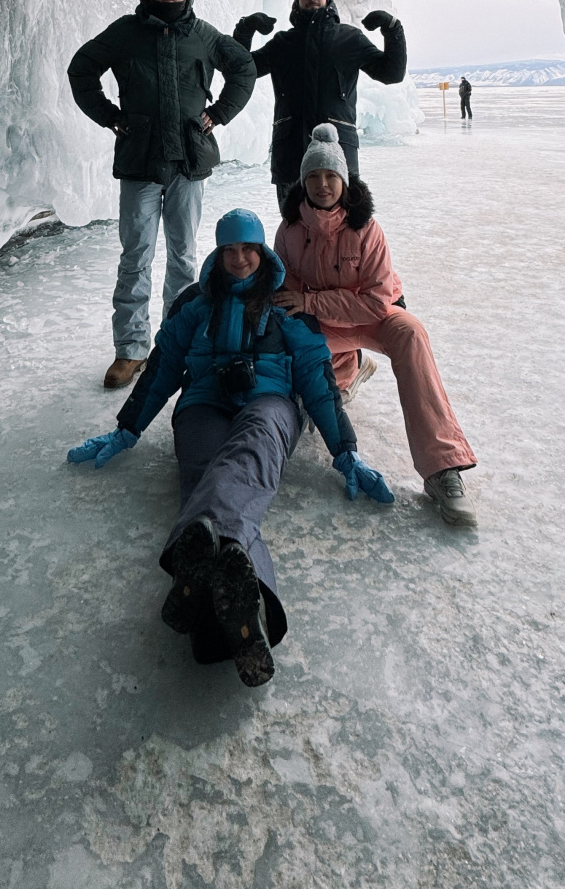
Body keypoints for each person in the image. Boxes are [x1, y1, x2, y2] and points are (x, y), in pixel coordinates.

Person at [67, 208, 393, 686]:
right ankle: (248, 613)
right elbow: (162, 368)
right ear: (217, 254)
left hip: (270, 403)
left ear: (262, 252)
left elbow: (318, 382)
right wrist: (127, 428)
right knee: (204, 473)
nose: (240, 259)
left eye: (249, 249)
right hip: (204, 402)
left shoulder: (287, 307)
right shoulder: (195, 304)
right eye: (230, 250)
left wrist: (344, 449)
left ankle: (195, 590)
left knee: (245, 461)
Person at [273, 124, 479, 527]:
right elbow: (287, 297)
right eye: (313, 176)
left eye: (331, 175)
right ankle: (346, 370)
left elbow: (375, 299)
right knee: (287, 339)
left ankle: (442, 467)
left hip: (372, 316)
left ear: (344, 180)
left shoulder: (368, 229)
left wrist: (312, 301)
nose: (322, 184)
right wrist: (304, 305)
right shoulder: (290, 231)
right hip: (324, 323)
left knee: (411, 332)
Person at [68, 0, 256, 389]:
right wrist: (108, 116)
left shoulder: (204, 34)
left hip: (188, 162)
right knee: (135, 256)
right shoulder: (125, 32)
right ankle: (130, 350)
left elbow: (243, 69)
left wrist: (220, 113)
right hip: (140, 162)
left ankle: (178, 341)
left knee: (184, 255)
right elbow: (82, 69)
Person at [233, 0, 407, 208]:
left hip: (338, 154)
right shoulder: (283, 43)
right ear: (297, 1)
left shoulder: (349, 39)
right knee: (294, 231)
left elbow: (391, 73)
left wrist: (393, 30)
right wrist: (245, 30)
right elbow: (241, 70)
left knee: (341, 231)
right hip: (292, 153)